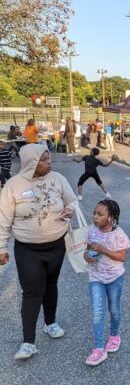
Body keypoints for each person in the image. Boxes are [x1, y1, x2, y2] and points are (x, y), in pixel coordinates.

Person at [0, 144, 77, 360]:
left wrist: (69, 210)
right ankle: (28, 342)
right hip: (28, 249)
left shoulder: (58, 179)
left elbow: (71, 200)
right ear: (31, 162)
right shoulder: (13, 186)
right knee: (32, 292)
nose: (49, 162)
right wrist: (2, 247)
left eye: (49, 158)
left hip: (56, 245)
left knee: (51, 285)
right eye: (44, 159)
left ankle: (50, 323)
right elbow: (3, 219)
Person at [83, 200, 130, 366]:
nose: (95, 217)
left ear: (111, 217)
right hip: (96, 276)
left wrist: (103, 249)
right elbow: (87, 250)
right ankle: (99, 348)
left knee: (114, 310)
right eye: (94, 213)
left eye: (100, 214)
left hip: (114, 278)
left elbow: (122, 257)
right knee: (97, 312)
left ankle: (114, 335)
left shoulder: (119, 234)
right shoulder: (91, 231)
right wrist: (86, 256)